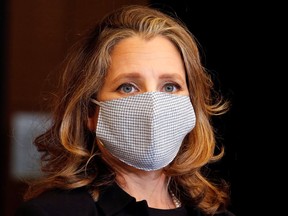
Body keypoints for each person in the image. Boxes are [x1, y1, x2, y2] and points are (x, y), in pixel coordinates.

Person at [15, 4, 235, 216]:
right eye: (128, 87)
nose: (153, 107)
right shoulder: (51, 212)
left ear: (192, 105)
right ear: (90, 112)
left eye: (170, 86)